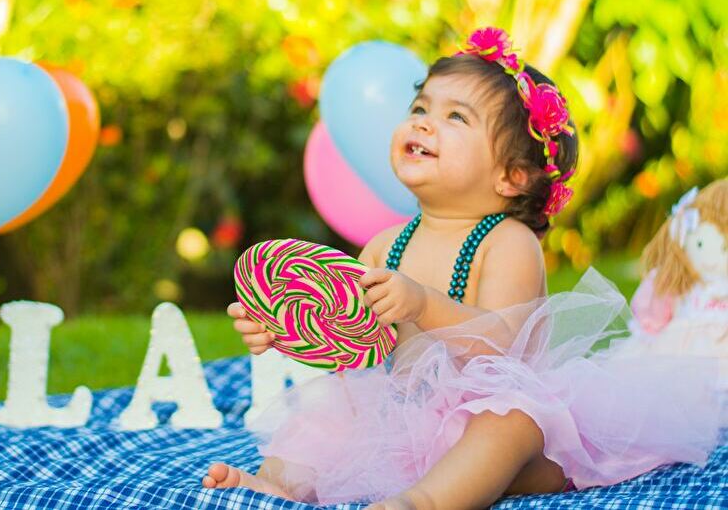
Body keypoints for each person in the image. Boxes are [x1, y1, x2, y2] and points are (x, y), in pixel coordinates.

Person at [201, 27, 722, 509]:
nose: (424, 121)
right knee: (327, 411)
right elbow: (351, 342)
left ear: (512, 177)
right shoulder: (385, 246)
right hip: (401, 424)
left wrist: (423, 304)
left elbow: (502, 345)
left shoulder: (506, 243)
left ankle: (425, 502)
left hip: (494, 428)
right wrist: (283, 327)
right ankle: (277, 482)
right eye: (420, 106)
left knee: (509, 423)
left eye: (456, 117)